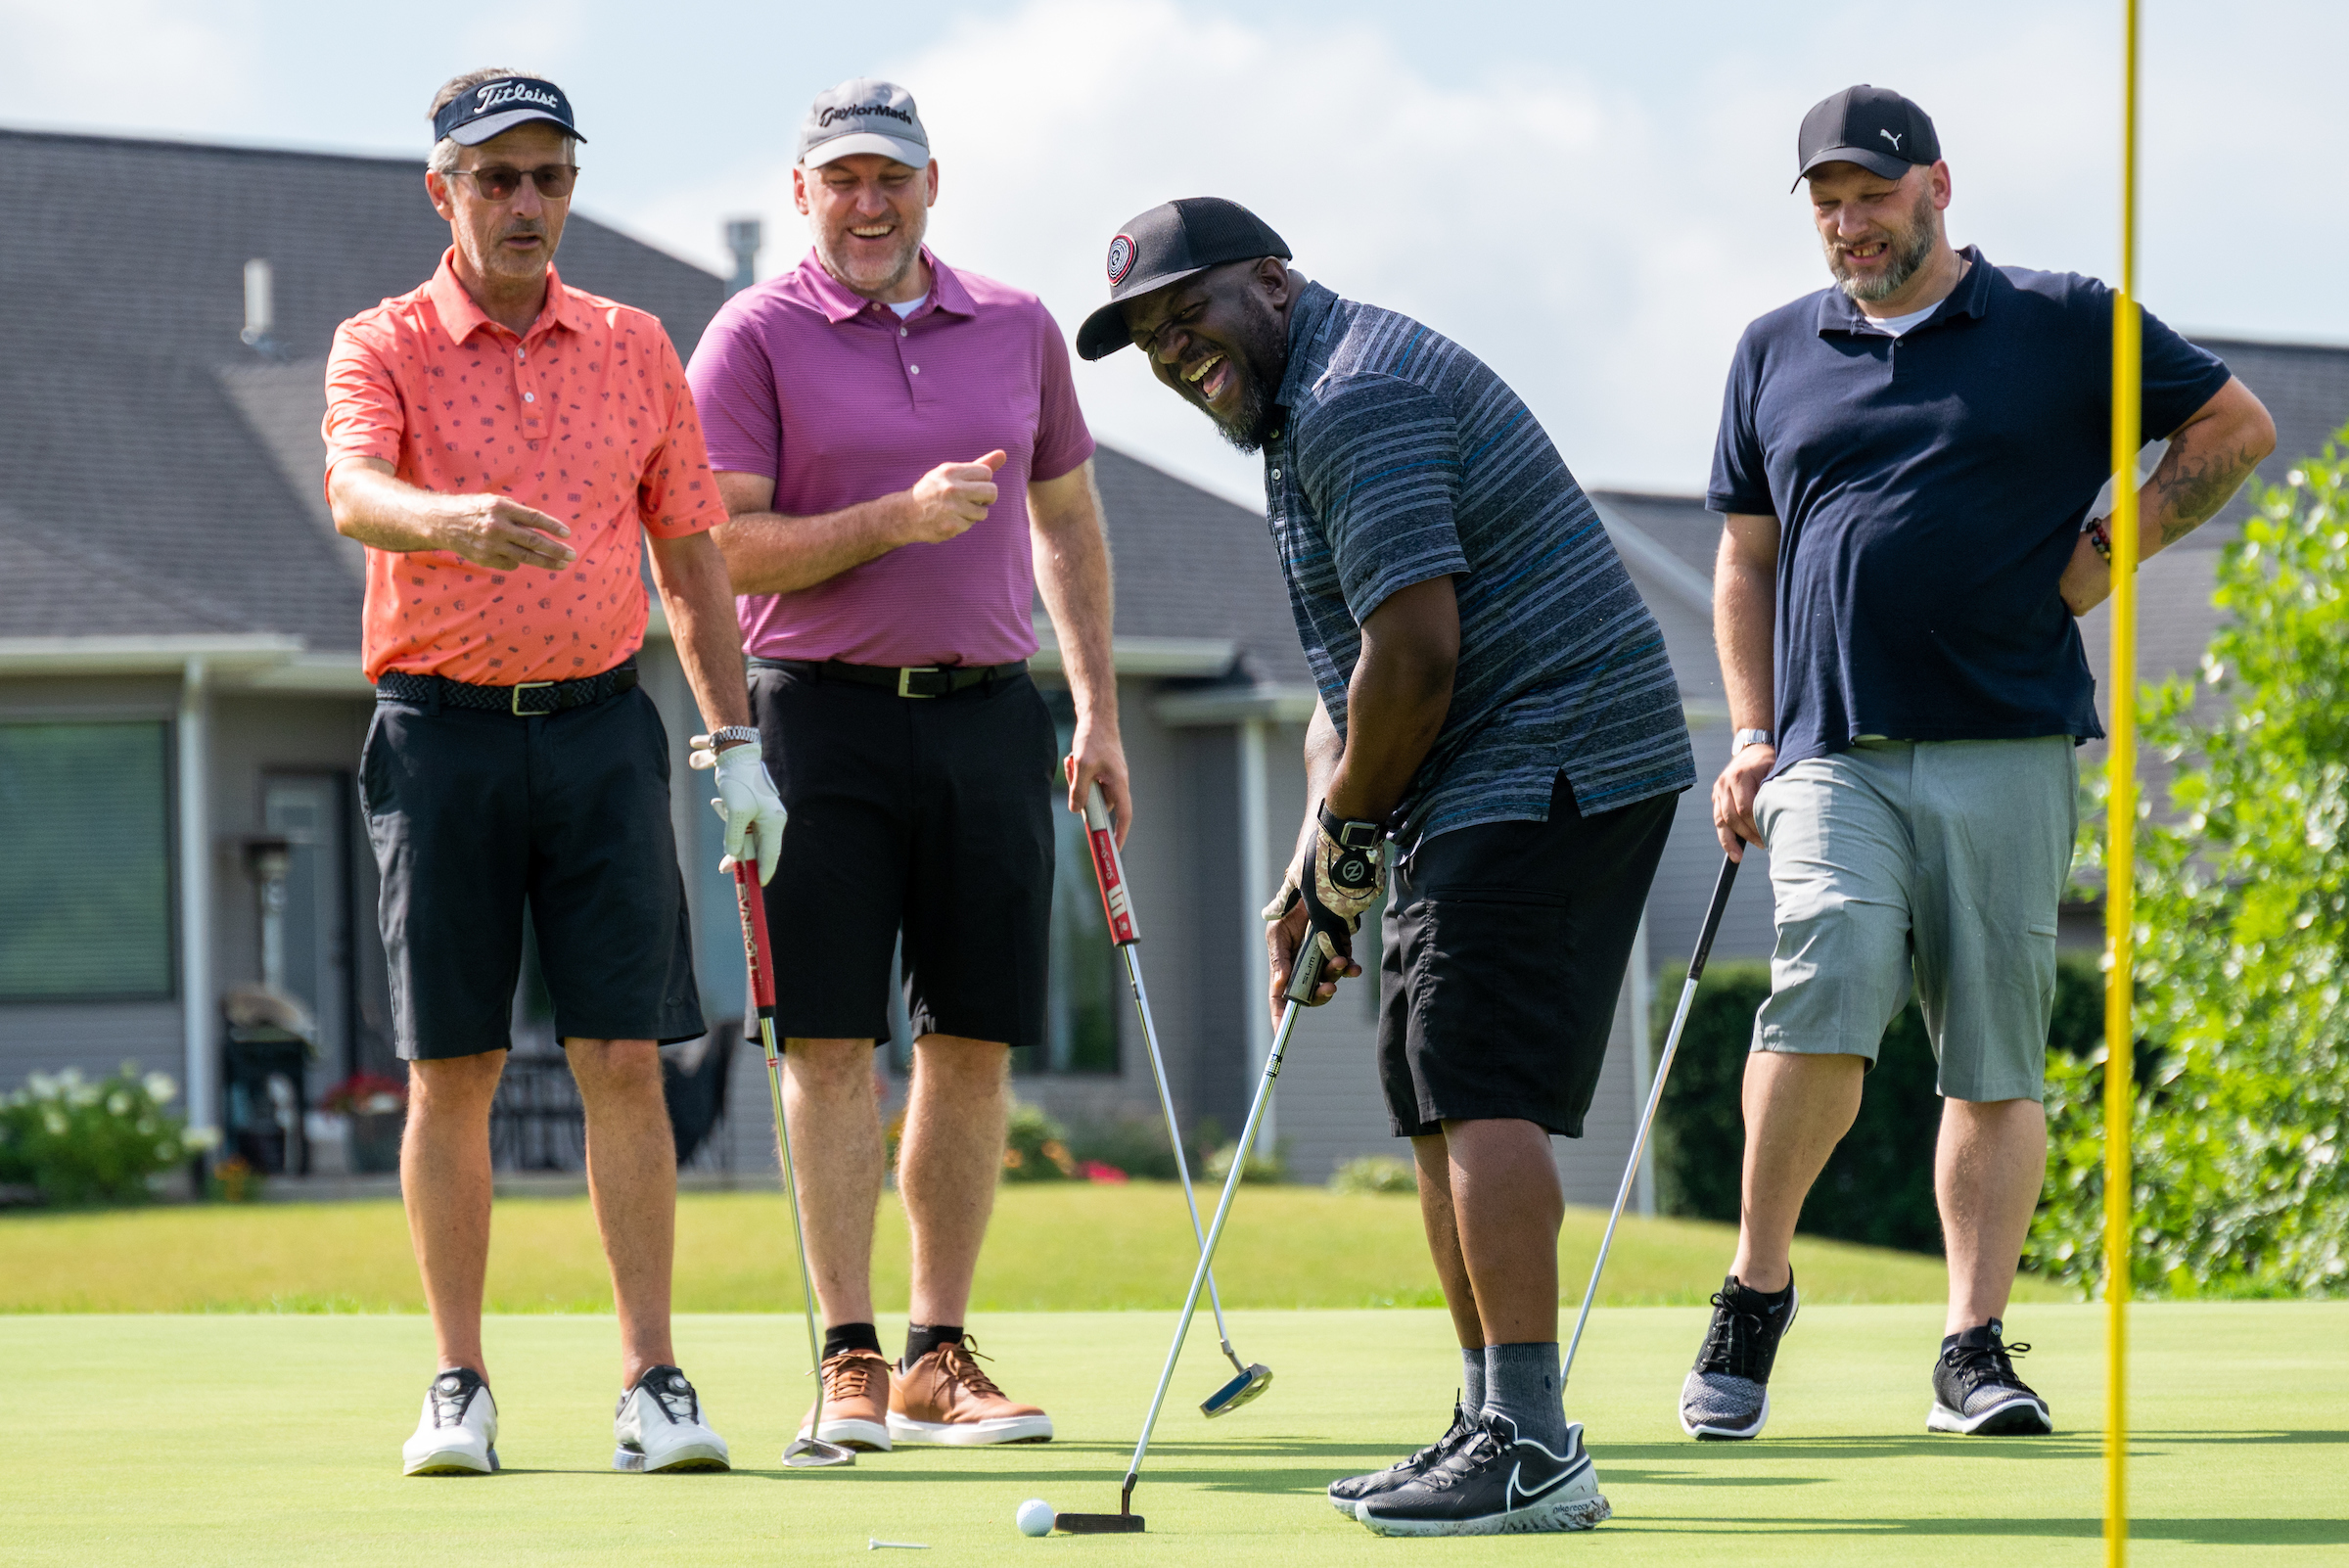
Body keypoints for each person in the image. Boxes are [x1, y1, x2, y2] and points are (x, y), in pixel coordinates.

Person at [1081, 198, 1696, 1537]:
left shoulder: (1355, 398)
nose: (1176, 350)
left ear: (1272, 280)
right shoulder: (1295, 414)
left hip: (1557, 754)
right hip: (1478, 769)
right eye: (1150, 339)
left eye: (1190, 313)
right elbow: (1352, 676)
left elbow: (1416, 657)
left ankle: (1533, 1446)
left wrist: (1350, 837)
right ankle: (1488, 1418)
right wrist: (1321, 852)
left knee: (1475, 1075)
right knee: (1425, 1080)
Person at [1688, 84, 2275, 1442]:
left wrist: (2103, 558)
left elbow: (2233, 428)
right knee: (1825, 980)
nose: (1849, 224)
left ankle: (1972, 1346)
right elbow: (1745, 557)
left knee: (1996, 1052)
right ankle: (1755, 1289)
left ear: (1938, 187)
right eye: (1828, 204)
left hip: (2009, 738)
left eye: (1873, 197)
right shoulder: (1773, 349)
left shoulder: (2064, 322)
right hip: (1830, 746)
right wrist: (1752, 732)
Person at [324, 69, 786, 1478]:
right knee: (451, 1065)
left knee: (624, 1055)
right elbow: (354, 489)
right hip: (439, 737)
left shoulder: (636, 345)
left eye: (550, 177)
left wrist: (738, 741)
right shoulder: (382, 341)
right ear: (444, 192)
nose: (527, 203)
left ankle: (653, 1381)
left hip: (599, 733)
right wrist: (449, 521)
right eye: (498, 178)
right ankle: (457, 1382)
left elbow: (692, 558)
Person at [684, 79, 1122, 1452]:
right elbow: (720, 547)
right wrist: (894, 520)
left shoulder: (1019, 324)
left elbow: (1067, 521)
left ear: (934, 185)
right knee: (829, 1043)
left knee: (972, 1039)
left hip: (992, 716)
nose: (867, 204)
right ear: (802, 192)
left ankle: (938, 1353)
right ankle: (849, 1357)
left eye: (891, 177)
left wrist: (1098, 709)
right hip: (817, 721)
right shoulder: (753, 335)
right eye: (843, 180)